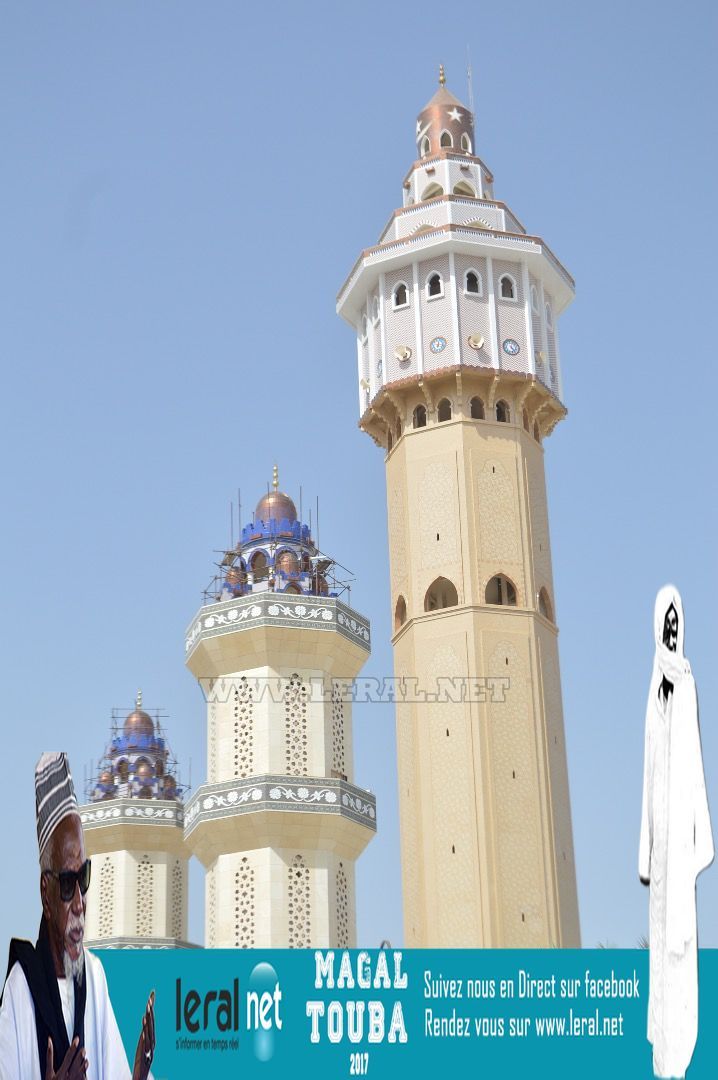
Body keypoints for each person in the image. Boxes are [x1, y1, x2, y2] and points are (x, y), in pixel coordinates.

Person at [0, 753, 156, 1079]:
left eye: (83, 878)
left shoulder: (94, 977)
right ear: (46, 893)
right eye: (69, 884)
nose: (80, 903)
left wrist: (139, 1073)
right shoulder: (20, 989)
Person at [639, 586, 714, 1079]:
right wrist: (645, 853)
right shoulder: (656, 688)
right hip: (661, 845)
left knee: (682, 952)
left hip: (682, 837)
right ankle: (663, 1051)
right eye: (664, 618)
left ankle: (682, 1050)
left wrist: (697, 838)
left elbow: (693, 765)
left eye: (675, 619)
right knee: (661, 953)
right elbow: (649, 770)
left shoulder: (685, 682)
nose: (669, 626)